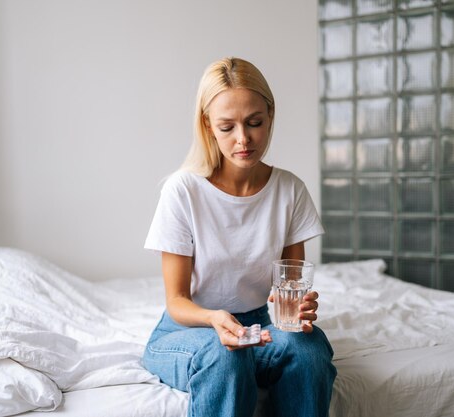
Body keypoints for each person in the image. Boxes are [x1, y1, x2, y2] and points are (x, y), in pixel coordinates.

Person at [143, 57, 336, 417]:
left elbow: (288, 287)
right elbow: (177, 302)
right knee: (223, 355)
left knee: (309, 349)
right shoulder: (182, 190)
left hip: (259, 327)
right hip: (189, 330)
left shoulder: (289, 190)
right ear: (208, 126)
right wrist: (216, 319)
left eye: (254, 123)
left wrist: (298, 308)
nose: (243, 139)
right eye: (227, 127)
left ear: (270, 115)